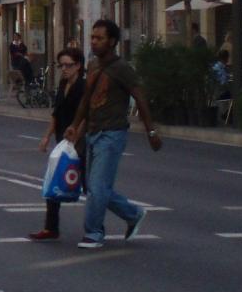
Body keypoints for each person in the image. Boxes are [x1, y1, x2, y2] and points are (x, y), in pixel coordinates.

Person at [64, 19, 162, 249]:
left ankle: (94, 233)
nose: (94, 42)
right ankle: (132, 214)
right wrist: (75, 125)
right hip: (92, 132)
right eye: (93, 37)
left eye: (99, 38)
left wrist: (151, 130)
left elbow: (140, 97)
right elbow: (87, 99)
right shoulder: (93, 66)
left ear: (113, 41)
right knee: (93, 186)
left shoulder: (122, 69)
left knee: (97, 187)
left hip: (112, 134)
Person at [29, 47, 87, 242]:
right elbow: (56, 113)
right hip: (63, 140)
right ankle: (50, 227)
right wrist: (46, 137)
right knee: (54, 182)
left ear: (78, 65)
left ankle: (99, 226)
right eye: (61, 65)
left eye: (68, 65)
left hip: (79, 142)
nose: (64, 69)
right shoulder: (63, 84)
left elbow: (86, 114)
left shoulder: (83, 86)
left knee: (90, 186)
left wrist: (77, 136)